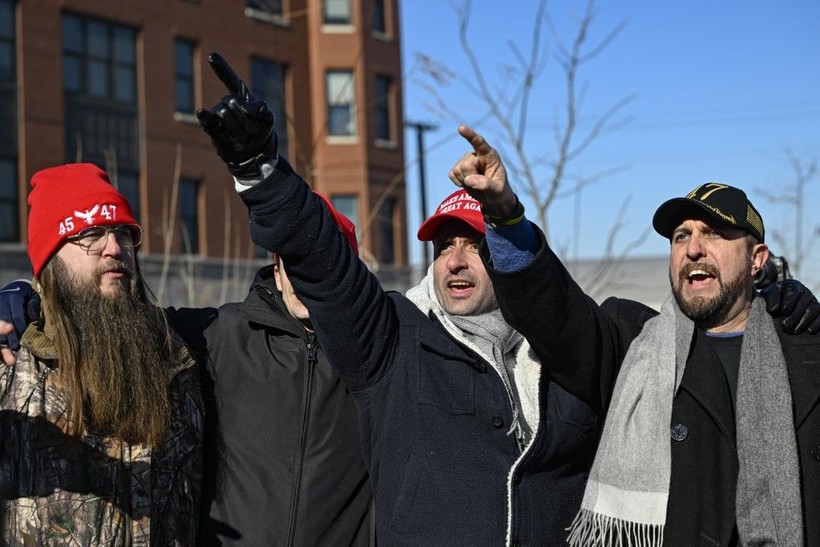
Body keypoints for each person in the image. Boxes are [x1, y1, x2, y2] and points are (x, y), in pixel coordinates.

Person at [193, 53, 820, 545]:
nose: (458, 260)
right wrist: (262, 171)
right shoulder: (393, 340)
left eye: (477, 245)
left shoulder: (585, 350)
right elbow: (326, 266)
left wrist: (788, 309)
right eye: (444, 246)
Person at [444, 126, 820, 546]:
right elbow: (554, 313)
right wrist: (506, 217)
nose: (693, 249)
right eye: (681, 237)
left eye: (713, 233)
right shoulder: (632, 342)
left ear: (757, 260)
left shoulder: (805, 350)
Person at [0, 196, 373, 546]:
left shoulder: (381, 358)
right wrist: (31, 297)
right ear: (276, 270)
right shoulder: (217, 336)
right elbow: (102, 311)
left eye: (326, 259)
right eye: (295, 259)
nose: (308, 274)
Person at [0, 163, 203, 545]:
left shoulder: (178, 360)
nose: (115, 248)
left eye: (123, 233)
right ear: (51, 259)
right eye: (91, 233)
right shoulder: (12, 366)